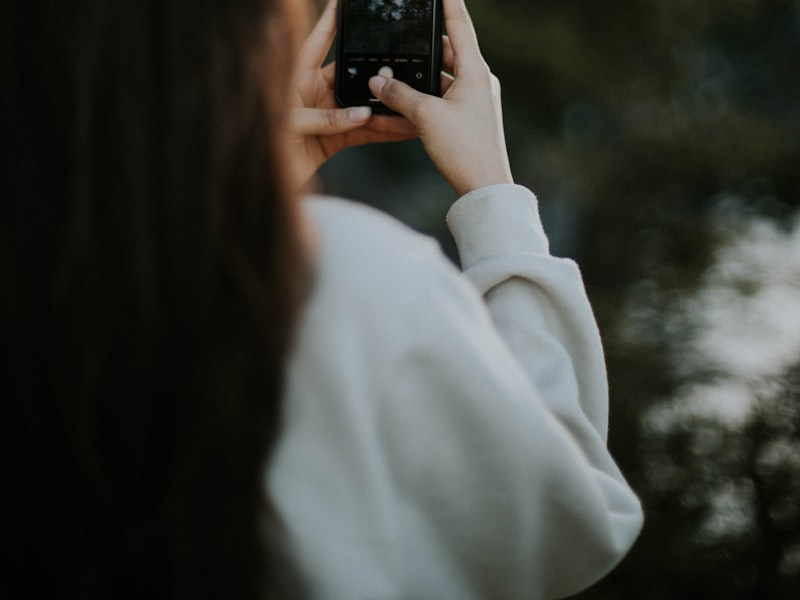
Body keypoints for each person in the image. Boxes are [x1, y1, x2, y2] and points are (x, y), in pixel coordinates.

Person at [1, 0, 642, 598]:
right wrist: (495, 195)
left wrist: (227, 192)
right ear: (239, 42)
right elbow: (574, 515)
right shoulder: (345, 278)